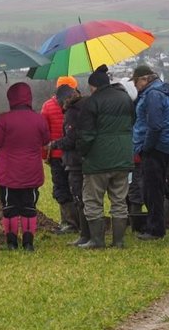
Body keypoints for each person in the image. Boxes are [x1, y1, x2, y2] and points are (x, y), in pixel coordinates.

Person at [0, 82, 50, 251]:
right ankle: (28, 243)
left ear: (11, 98)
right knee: (29, 207)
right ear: (29, 98)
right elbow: (45, 140)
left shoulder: (4, 119)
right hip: (31, 172)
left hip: (8, 174)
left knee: (10, 208)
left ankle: (11, 243)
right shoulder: (39, 119)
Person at [76, 65, 134, 249]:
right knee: (119, 200)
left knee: (93, 200)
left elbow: (86, 135)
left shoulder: (91, 103)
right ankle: (118, 241)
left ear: (93, 86)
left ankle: (97, 240)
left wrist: (82, 153)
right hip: (123, 157)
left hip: (98, 161)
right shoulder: (126, 98)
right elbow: (132, 122)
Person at [130, 65, 169, 240]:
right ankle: (155, 225)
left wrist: (146, 147)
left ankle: (155, 229)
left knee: (152, 190)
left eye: (135, 82)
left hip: (154, 148)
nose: (135, 86)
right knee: (153, 188)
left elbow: (155, 125)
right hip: (161, 146)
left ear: (144, 79)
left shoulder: (153, 95)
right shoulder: (157, 92)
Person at [49, 84, 87, 245]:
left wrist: (54, 144)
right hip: (88, 158)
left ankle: (82, 231)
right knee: (87, 195)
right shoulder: (88, 105)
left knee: (77, 194)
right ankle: (87, 229)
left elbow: (71, 139)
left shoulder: (72, 112)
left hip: (75, 160)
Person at [41, 75, 80, 234]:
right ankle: (81, 221)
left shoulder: (47, 106)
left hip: (56, 154)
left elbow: (44, 134)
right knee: (77, 187)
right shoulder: (81, 105)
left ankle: (68, 222)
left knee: (61, 187)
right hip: (77, 154)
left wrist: (46, 155)